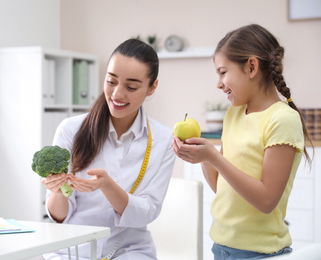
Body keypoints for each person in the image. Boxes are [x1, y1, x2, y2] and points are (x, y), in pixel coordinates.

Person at [172, 24, 313, 259]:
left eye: (223, 72)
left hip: (260, 252)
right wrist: (202, 158)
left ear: (251, 67)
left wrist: (213, 157)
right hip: (221, 246)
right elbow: (223, 187)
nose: (218, 83)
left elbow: (266, 200)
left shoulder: (282, 119)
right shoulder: (234, 114)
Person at [41, 38, 176, 260]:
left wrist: (108, 187)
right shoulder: (70, 130)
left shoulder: (163, 140)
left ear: (152, 87)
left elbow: (148, 211)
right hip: (73, 248)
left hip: (129, 250)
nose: (117, 94)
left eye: (131, 87)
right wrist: (57, 191)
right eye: (111, 81)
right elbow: (60, 216)